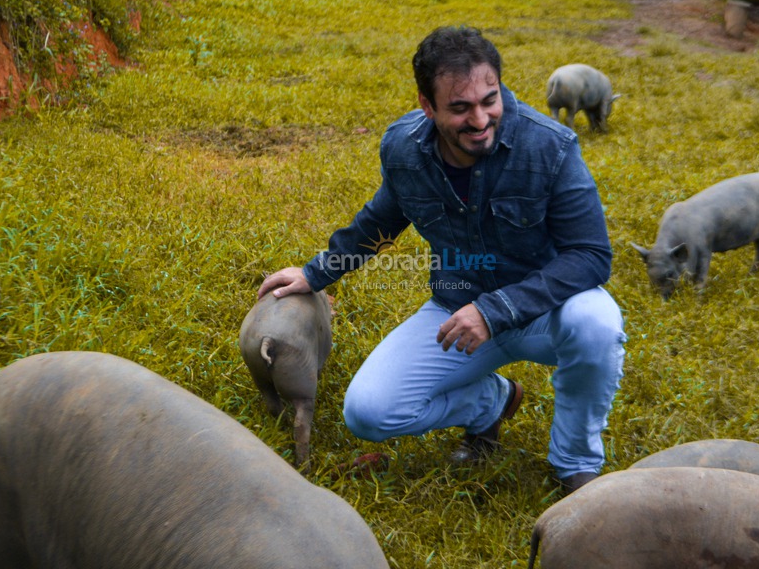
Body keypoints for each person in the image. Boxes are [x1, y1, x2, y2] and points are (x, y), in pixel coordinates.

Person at [258, 25, 626, 494]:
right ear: (427, 105)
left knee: (596, 321)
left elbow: (591, 256)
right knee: (369, 412)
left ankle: (575, 462)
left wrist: (497, 311)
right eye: (459, 107)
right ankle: (490, 405)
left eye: (490, 100)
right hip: (457, 311)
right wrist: (316, 273)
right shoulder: (404, 150)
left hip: (547, 316)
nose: (480, 119)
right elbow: (380, 223)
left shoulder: (549, 147)